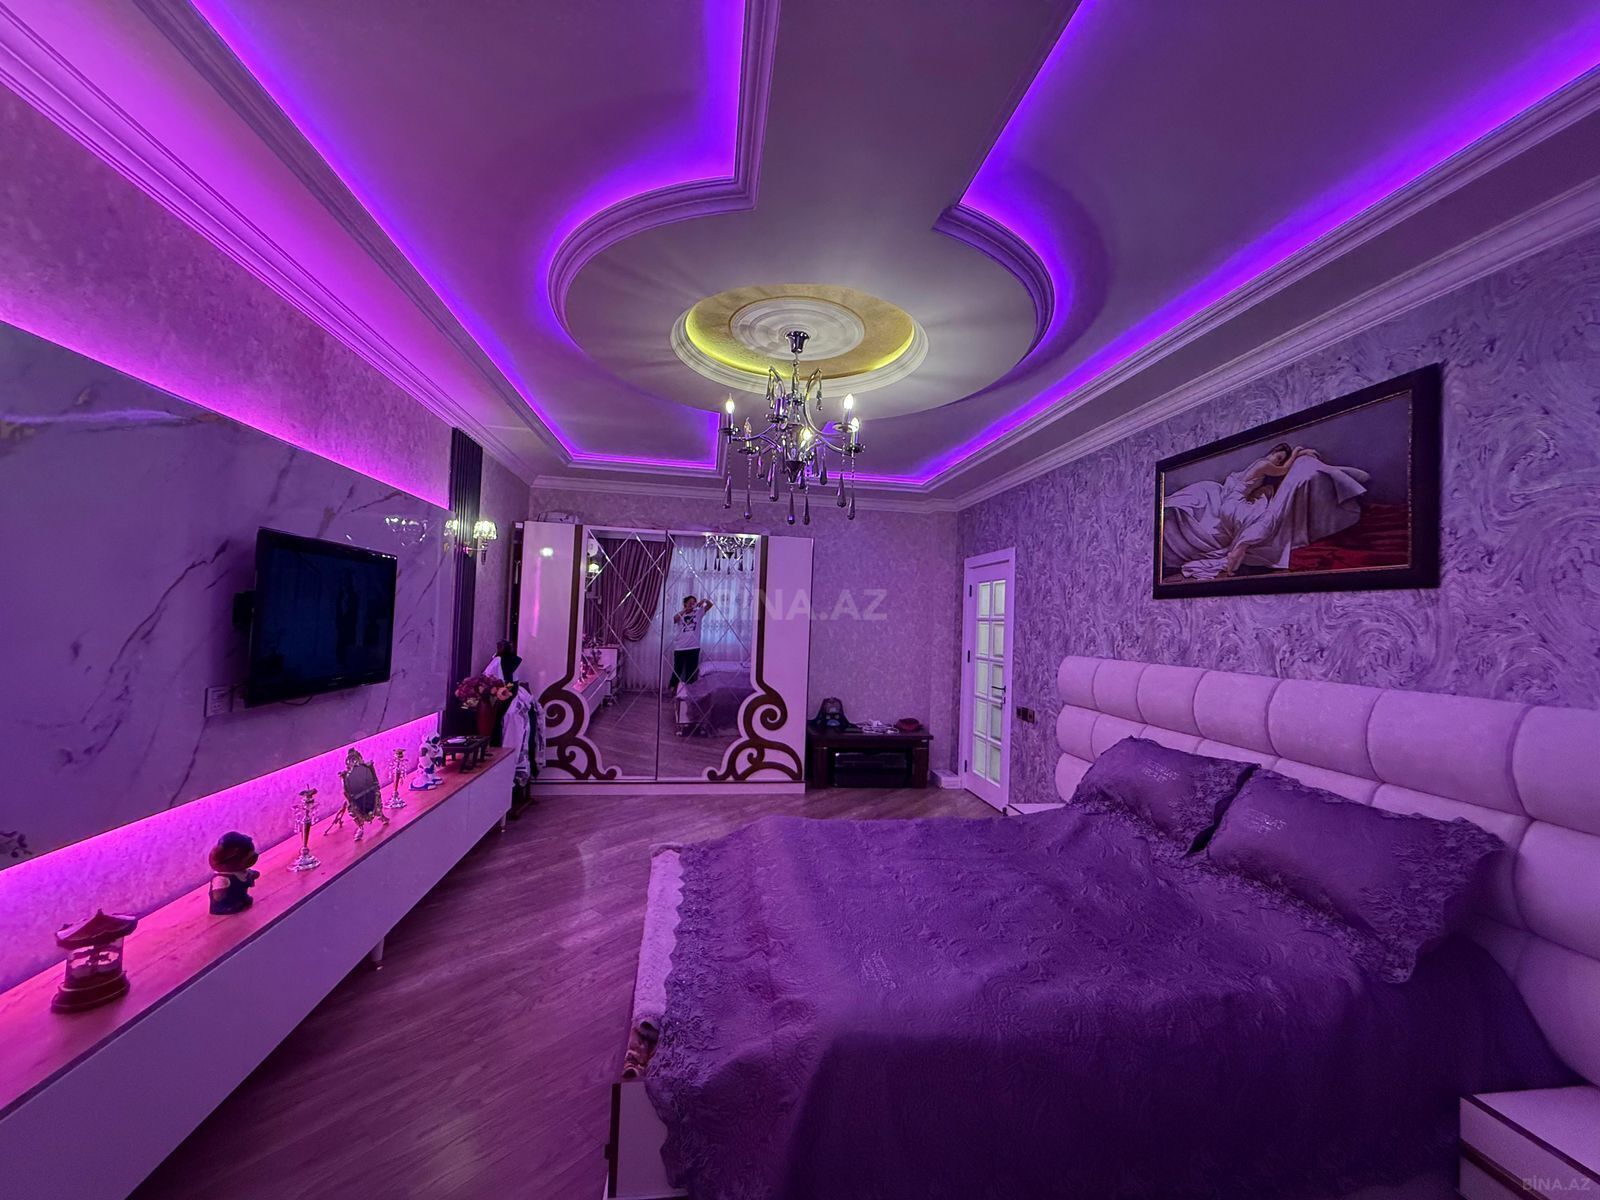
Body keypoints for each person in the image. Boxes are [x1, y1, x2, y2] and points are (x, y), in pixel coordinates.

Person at [1162, 442, 1371, 580]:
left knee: (1265, 515)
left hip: (1232, 503)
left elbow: (1280, 471)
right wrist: (1297, 452)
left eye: (1279, 459)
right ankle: (1240, 550)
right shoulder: (1263, 464)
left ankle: (1236, 556)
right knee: (1267, 520)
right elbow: (1284, 470)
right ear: (1270, 454)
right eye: (1277, 457)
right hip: (1233, 506)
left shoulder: (1259, 465)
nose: (1277, 462)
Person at [669, 595, 712, 690]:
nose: (692, 604)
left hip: (693, 647)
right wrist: (685, 610)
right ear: (685, 603)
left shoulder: (698, 613)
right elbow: (674, 619)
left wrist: (704, 600)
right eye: (690, 602)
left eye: (694, 602)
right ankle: (672, 690)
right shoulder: (681, 614)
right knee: (677, 670)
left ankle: (690, 691)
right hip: (680, 647)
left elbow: (710, 605)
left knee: (691, 672)